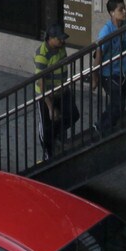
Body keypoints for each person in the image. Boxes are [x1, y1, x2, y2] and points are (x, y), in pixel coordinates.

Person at [34, 27, 75, 157]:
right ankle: (48, 153)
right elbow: (41, 83)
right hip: (47, 94)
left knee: (73, 115)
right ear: (50, 39)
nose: (62, 41)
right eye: (59, 39)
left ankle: (56, 138)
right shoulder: (42, 55)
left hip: (62, 90)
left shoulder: (61, 47)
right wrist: (50, 107)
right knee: (46, 126)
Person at [96, 0, 126, 132]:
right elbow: (99, 53)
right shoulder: (106, 31)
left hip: (122, 71)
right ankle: (103, 128)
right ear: (112, 13)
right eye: (121, 10)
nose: (125, 12)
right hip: (109, 73)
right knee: (118, 103)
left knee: (119, 103)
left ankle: (102, 124)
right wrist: (94, 76)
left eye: (124, 8)